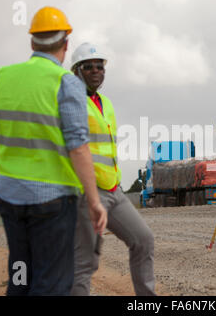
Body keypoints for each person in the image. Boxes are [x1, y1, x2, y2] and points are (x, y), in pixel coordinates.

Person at [0, 7, 107, 295]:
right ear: (65, 45)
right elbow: (77, 146)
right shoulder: (66, 82)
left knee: (20, 276)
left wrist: (6, 176)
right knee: (50, 281)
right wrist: (94, 201)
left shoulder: (2, 76)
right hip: (51, 203)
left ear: (32, 43)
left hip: (10, 197)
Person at [69, 43, 156, 296]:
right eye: (89, 67)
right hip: (86, 192)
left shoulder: (104, 102)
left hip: (113, 190)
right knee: (85, 262)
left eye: (100, 66)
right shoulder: (70, 102)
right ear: (76, 71)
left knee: (143, 240)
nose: (96, 71)